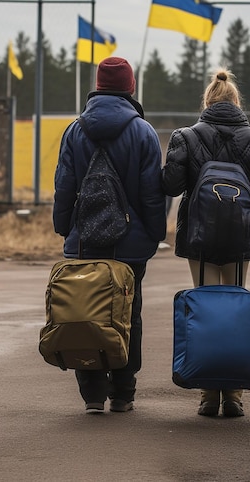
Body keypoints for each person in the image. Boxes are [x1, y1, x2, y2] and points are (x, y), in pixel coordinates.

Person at [161, 69, 250, 418]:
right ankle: (234, 393)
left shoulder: (185, 136)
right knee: (233, 306)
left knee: (205, 306)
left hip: (199, 233)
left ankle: (206, 393)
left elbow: (170, 184)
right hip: (240, 232)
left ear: (207, 101)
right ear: (236, 102)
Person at [53, 56, 166, 414]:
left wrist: (65, 227)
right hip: (131, 245)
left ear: (98, 87)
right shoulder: (144, 133)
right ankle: (123, 393)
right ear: (130, 87)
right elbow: (152, 193)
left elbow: (64, 186)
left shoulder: (74, 131)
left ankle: (92, 395)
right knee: (128, 313)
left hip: (84, 240)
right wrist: (154, 234)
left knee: (86, 308)